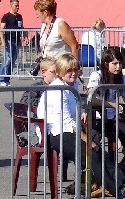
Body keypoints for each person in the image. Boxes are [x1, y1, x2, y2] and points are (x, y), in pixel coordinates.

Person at [86, 47, 125, 161]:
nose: (118, 67)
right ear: (106, 64)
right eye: (114, 63)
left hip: (115, 117)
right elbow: (91, 99)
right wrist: (112, 105)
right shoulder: (96, 76)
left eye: (120, 63)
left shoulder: (122, 78)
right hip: (98, 117)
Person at [36, 54, 89, 186]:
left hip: (68, 128)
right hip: (54, 132)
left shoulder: (72, 85)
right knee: (87, 151)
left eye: (75, 70)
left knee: (95, 136)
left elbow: (79, 104)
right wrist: (85, 138)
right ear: (60, 72)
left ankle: (92, 178)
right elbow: (66, 121)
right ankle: (94, 179)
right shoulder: (58, 89)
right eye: (69, 70)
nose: (73, 73)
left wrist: (83, 111)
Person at [0, 0, 25, 86]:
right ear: (11, 5)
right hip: (8, 41)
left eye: (18, 5)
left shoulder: (19, 16)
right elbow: (1, 29)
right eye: (16, 5)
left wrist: (25, 36)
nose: (18, 7)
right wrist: (3, 41)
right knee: (7, 60)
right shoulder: (6, 17)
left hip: (16, 41)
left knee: (12, 61)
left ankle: (7, 79)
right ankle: (1, 79)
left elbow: (22, 27)